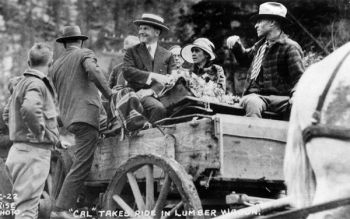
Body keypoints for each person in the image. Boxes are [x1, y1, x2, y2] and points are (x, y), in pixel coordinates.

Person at [49, 26, 112, 219]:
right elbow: (93, 71)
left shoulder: (56, 65)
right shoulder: (85, 53)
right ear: (81, 41)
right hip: (86, 117)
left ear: (65, 43)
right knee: (82, 164)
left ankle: (82, 203)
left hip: (70, 118)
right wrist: (111, 94)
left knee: (82, 158)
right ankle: (60, 209)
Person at [3, 43, 59, 219]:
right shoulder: (37, 83)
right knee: (27, 211)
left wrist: (22, 129)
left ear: (28, 61)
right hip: (33, 153)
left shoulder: (21, 83)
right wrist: (39, 133)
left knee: (18, 209)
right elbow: (28, 108)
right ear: (51, 63)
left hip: (18, 151)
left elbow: (7, 114)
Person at [226, 2, 304, 118]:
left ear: (272, 23)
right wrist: (236, 46)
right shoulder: (260, 46)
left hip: (280, 100)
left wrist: (296, 96)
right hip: (255, 97)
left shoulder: (290, 47)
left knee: (300, 106)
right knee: (253, 103)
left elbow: (300, 78)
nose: (255, 26)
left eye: (260, 21)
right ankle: (253, 134)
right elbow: (245, 60)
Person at [123, 13, 174, 123]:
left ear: (157, 32)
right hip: (137, 94)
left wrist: (151, 91)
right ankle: (153, 139)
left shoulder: (167, 54)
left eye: (145, 29)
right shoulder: (132, 51)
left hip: (161, 94)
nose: (141, 32)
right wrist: (153, 76)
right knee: (158, 108)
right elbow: (127, 71)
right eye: (140, 28)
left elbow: (171, 79)